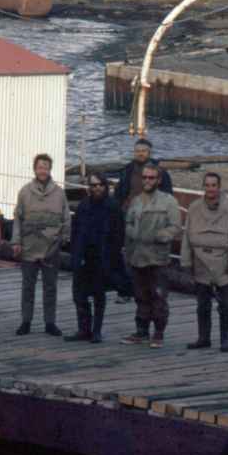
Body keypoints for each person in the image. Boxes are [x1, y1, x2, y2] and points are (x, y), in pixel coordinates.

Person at [182, 171, 228, 353]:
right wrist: (186, 261)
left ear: (219, 187)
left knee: (224, 304)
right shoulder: (193, 208)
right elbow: (186, 236)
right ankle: (204, 338)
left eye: (213, 185)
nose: (210, 189)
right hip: (200, 261)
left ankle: (225, 339)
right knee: (202, 304)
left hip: (223, 263)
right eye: (207, 185)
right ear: (203, 187)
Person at [122, 162, 181, 347]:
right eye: (145, 177)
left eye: (151, 177)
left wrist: (161, 236)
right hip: (137, 256)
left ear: (159, 180)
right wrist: (130, 236)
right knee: (140, 295)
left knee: (158, 296)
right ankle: (141, 331)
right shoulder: (136, 201)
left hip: (157, 257)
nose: (147, 180)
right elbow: (129, 223)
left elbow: (175, 227)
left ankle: (158, 333)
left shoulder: (168, 201)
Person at [14, 152, 70, 336]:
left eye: (45, 167)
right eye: (39, 167)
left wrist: (64, 237)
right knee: (27, 286)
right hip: (29, 246)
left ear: (50, 169)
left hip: (51, 248)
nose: (42, 170)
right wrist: (16, 241)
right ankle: (26, 321)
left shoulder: (59, 193)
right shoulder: (24, 192)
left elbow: (66, 218)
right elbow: (17, 219)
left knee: (50, 287)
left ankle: (50, 322)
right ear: (34, 169)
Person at [112, 137, 173, 303]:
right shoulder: (127, 170)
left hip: (151, 218)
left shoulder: (160, 173)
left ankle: (150, 292)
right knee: (128, 255)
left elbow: (168, 196)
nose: (140, 153)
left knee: (150, 258)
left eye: (144, 151)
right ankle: (126, 291)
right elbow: (119, 195)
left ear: (149, 153)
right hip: (129, 217)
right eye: (137, 150)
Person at [67, 172, 122, 343]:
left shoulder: (112, 206)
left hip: (102, 256)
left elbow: (119, 234)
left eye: (99, 185)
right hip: (83, 255)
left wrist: (112, 256)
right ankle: (83, 329)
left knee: (99, 295)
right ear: (89, 187)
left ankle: (96, 331)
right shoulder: (83, 205)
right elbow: (75, 231)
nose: (96, 188)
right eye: (93, 185)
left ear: (105, 186)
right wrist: (75, 254)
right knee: (79, 295)